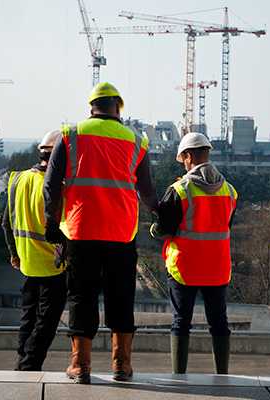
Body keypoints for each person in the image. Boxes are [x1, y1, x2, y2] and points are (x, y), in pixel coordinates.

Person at [43, 82, 159, 384]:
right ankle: (122, 365)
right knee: (121, 295)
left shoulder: (71, 134)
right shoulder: (136, 140)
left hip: (81, 230)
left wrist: (51, 224)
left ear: (91, 108)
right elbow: (146, 192)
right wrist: (162, 211)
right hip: (121, 232)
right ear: (118, 108)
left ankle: (80, 366)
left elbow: (51, 186)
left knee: (82, 295)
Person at [150, 133, 237, 375]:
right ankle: (223, 375)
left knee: (181, 323)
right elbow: (225, 226)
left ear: (188, 156)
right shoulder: (229, 191)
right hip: (217, 268)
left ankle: (179, 377)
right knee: (219, 323)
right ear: (207, 154)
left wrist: (153, 228)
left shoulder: (180, 189)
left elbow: (165, 229)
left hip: (185, 268)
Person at [2, 129, 67, 371]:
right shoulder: (58, 186)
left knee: (28, 317)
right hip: (54, 266)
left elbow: (7, 222)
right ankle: (29, 364)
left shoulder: (17, 180)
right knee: (47, 322)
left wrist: (14, 253)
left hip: (27, 264)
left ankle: (22, 360)